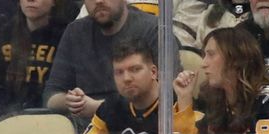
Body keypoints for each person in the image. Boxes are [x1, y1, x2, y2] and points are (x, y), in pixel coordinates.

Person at [43, 0, 173, 127]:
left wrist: (99, 108)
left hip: (141, 129)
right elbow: (51, 97)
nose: (99, 1)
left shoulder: (155, 29)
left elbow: (170, 94)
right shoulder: (75, 32)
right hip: (85, 132)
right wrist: (71, 101)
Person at [172, 26, 269, 134]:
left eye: (211, 54)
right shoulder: (219, 103)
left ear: (235, 59)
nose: (204, 64)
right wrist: (184, 98)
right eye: (204, 55)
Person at [0, 0, 70, 119]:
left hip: (54, 119)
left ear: (54, 2)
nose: (31, 0)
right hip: (5, 118)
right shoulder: (2, 36)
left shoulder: (67, 36)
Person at [74, 39, 161, 134]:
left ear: (153, 72)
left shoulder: (175, 105)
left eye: (135, 69)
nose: (126, 78)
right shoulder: (110, 108)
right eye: (119, 72)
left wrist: (184, 99)